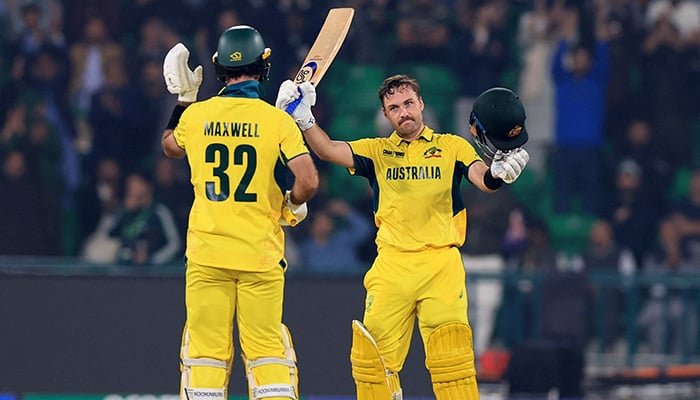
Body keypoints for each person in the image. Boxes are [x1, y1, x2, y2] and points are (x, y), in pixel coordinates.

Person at [276, 77, 529, 399]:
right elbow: (327, 151)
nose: (403, 112)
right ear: (385, 114)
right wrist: (305, 120)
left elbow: (483, 179)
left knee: (452, 363)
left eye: (408, 104)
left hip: (440, 264)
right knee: (371, 363)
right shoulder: (376, 152)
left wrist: (498, 174)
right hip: (392, 265)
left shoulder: (452, 146)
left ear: (421, 104)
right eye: (394, 108)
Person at [161, 26, 319, 400]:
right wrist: (291, 204)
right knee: (266, 352)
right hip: (259, 256)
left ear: (218, 68)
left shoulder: (197, 116)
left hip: (207, 256)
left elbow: (169, 147)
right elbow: (309, 180)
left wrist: (184, 99)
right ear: (264, 66)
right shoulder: (276, 121)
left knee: (205, 356)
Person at [108, 172, 181, 265]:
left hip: (151, 273)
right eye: (130, 184)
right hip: (123, 269)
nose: (132, 189)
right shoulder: (124, 211)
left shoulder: (159, 211)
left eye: (137, 184)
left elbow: (174, 244)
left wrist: (152, 261)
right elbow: (109, 235)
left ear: (148, 187)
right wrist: (124, 212)